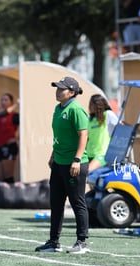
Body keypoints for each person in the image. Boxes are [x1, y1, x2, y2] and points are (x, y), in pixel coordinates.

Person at [35, 77, 90, 254]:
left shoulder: (76, 109)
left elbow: (83, 136)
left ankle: (82, 242)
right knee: (56, 203)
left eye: (62, 89)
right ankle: (53, 241)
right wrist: (53, 155)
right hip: (59, 163)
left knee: (77, 203)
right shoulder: (58, 109)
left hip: (74, 164)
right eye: (57, 88)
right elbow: (60, 136)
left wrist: (77, 160)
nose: (58, 91)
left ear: (72, 92)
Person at [0, 93, 19, 184]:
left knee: (8, 176)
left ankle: (11, 197)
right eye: (2, 100)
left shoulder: (15, 115)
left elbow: (22, 130)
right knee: (0, 178)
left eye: (6, 100)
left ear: (11, 102)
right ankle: (2, 197)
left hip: (9, 147)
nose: (3, 102)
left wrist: (16, 138)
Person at [87, 94, 118, 172]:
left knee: (87, 172)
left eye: (91, 104)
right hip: (89, 154)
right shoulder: (89, 119)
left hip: (102, 154)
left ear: (98, 105)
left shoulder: (108, 114)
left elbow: (120, 125)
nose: (89, 106)